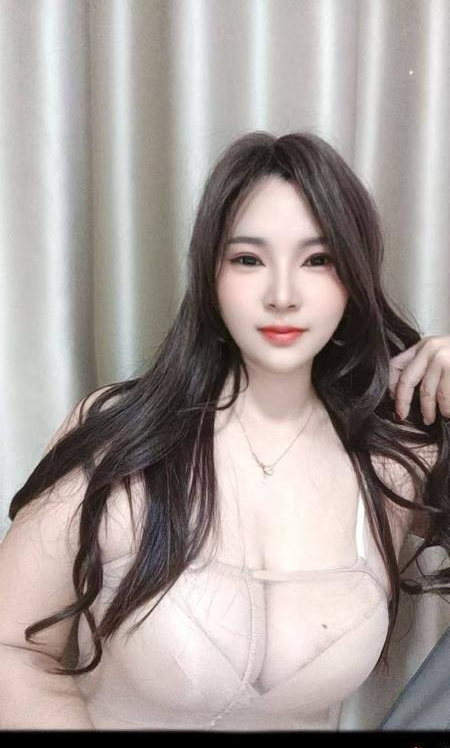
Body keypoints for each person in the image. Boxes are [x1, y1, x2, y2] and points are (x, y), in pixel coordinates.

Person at [0, 131, 449, 731]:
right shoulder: (119, 435)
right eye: (248, 260)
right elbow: (13, 648)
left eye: (318, 260)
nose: (282, 295)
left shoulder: (392, 462)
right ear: (210, 274)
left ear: (355, 276)